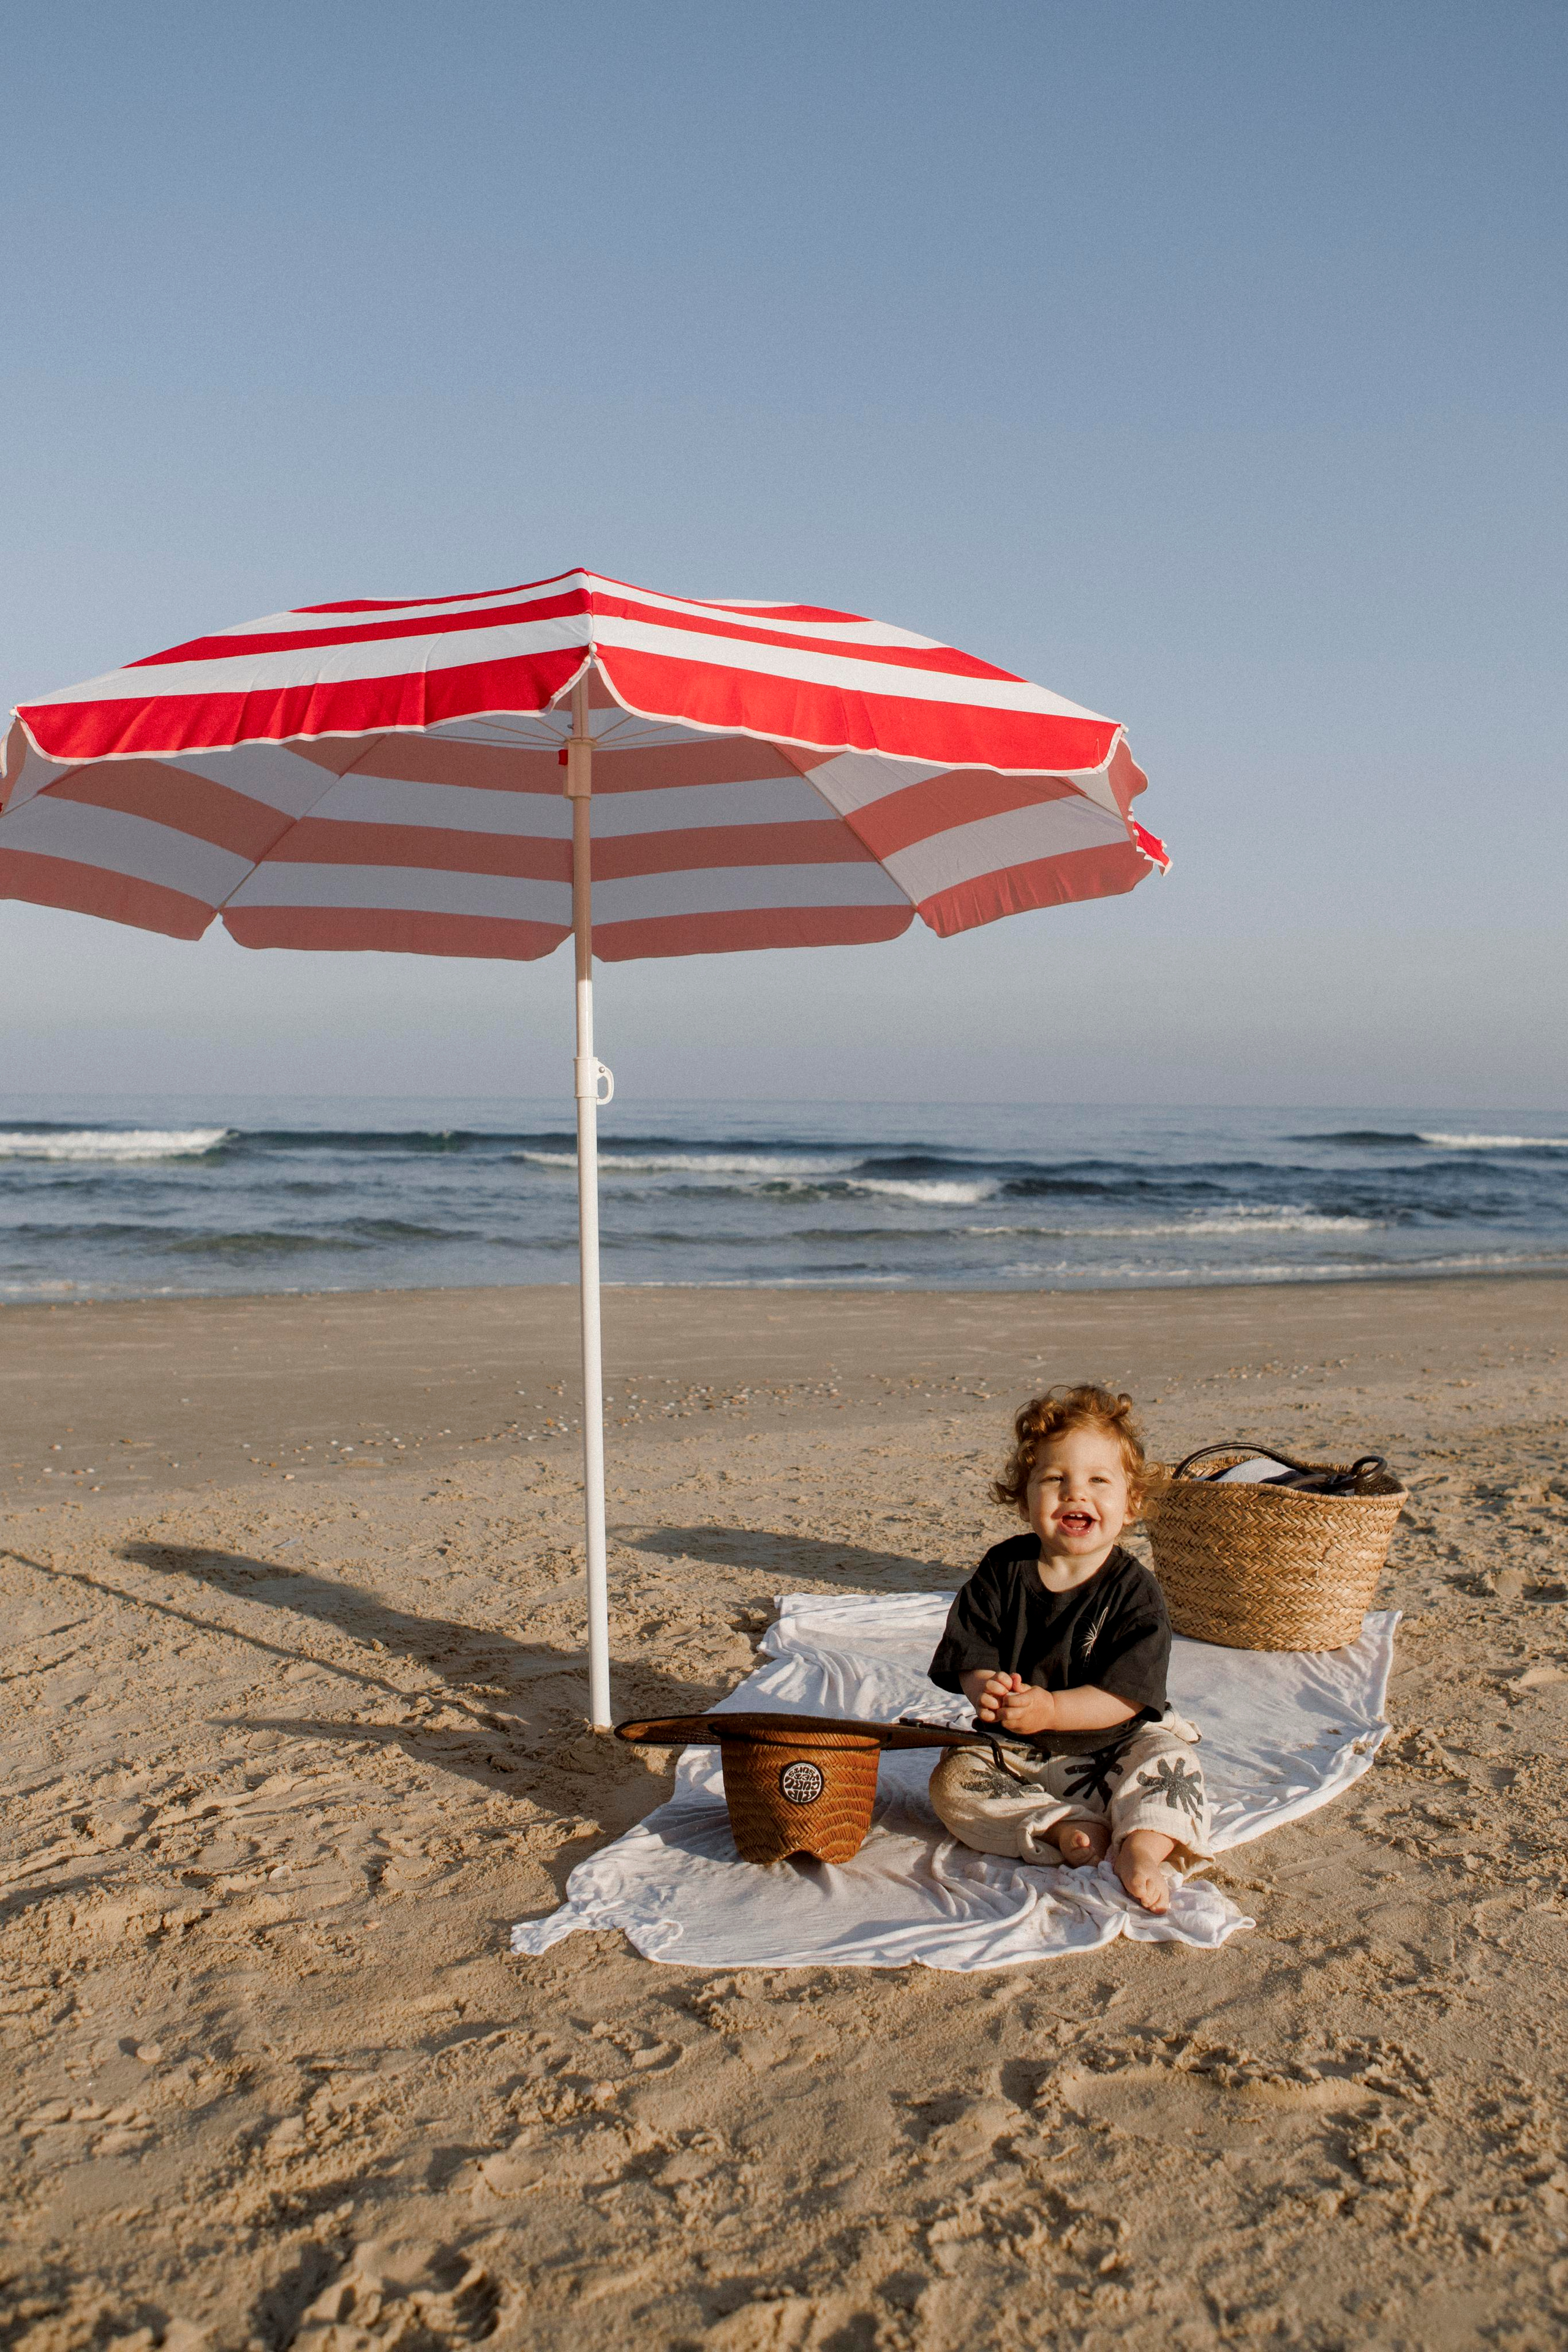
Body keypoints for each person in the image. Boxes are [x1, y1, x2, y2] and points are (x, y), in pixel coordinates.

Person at [926, 1384, 1210, 1914]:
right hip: (1016, 1756)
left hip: (1112, 1752)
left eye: (1099, 1481)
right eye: (1055, 1480)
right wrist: (988, 1691)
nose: (1076, 1495)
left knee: (1174, 1764)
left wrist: (1054, 1709)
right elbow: (972, 1651)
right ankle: (1062, 1827)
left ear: (1132, 1504)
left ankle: (1143, 1849)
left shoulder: (1136, 1593)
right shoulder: (1001, 1571)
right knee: (952, 1781)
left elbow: (1127, 1696)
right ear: (1025, 1497)